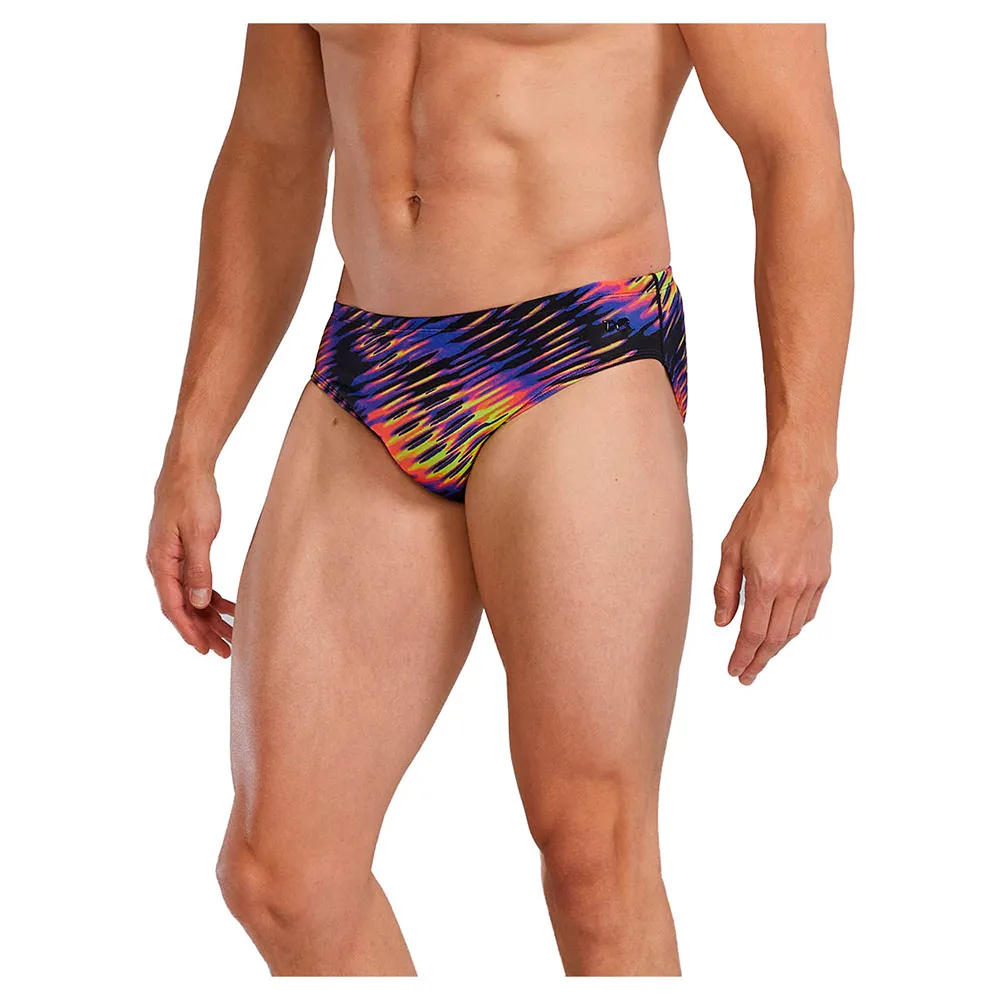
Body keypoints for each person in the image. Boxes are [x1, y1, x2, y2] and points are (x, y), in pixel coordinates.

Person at [146, 23, 853, 976]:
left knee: (594, 860)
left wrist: (801, 472)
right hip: (374, 359)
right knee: (281, 875)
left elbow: (793, 148)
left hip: (577, 346)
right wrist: (193, 445)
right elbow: (270, 151)